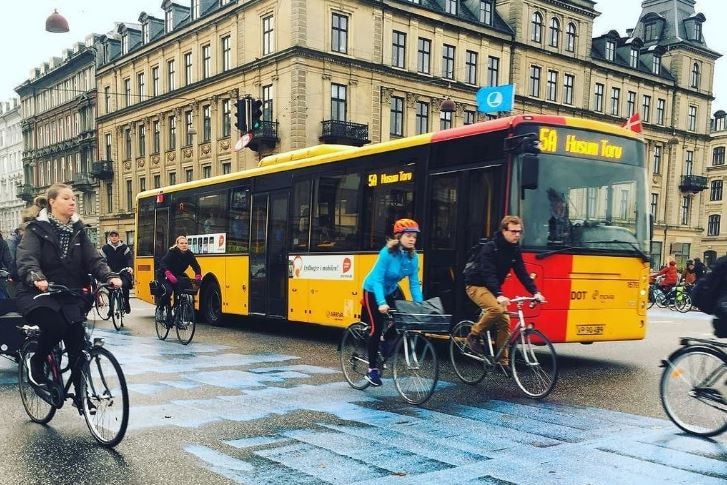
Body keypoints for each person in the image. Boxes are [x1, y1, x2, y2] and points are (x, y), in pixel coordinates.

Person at [15, 184, 122, 408]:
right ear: (53, 202)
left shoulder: (78, 231)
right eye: (66, 198)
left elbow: (93, 259)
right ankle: (37, 361)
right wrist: (36, 277)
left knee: (77, 341)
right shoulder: (35, 230)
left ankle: (81, 395)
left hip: (68, 293)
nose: (72, 202)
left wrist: (109, 275)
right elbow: (27, 258)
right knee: (55, 325)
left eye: (73, 198)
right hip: (38, 293)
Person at [463, 215, 545, 367]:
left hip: (492, 288)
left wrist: (535, 292)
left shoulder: (514, 249)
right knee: (496, 309)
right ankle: (473, 336)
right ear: (503, 231)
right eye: (513, 231)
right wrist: (499, 295)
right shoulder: (490, 247)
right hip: (476, 285)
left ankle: (503, 362)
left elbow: (522, 273)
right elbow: (489, 274)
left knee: (505, 322)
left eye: (519, 232)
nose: (517, 235)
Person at [360, 218, 424, 386]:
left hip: (392, 289)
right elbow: (378, 280)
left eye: (414, 237)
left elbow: (414, 284)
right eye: (408, 235)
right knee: (376, 327)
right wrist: (381, 302)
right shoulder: (387, 253)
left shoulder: (413, 257)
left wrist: (420, 304)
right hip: (373, 289)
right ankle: (372, 370)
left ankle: (385, 342)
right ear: (398, 236)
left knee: (404, 317)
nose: (412, 239)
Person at [158, 235, 202, 316]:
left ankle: (178, 314)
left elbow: (196, 266)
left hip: (177, 276)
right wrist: (168, 273)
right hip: (164, 275)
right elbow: (163, 263)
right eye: (181, 243)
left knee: (181, 292)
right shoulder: (172, 252)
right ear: (177, 245)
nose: (184, 245)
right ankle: (160, 308)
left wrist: (198, 275)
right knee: (168, 291)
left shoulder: (189, 254)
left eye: (186, 243)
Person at [101, 230, 134, 314]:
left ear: (118, 237)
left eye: (116, 236)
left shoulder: (124, 247)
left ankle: (126, 302)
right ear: (109, 238)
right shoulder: (105, 248)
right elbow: (101, 260)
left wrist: (130, 267)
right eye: (112, 236)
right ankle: (111, 309)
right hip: (111, 271)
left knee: (125, 285)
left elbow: (129, 258)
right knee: (111, 288)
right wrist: (105, 268)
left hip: (123, 270)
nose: (114, 237)